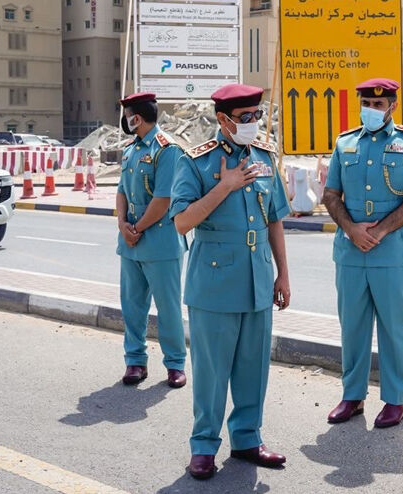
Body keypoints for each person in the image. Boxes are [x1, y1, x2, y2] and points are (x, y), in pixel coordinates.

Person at [170, 83, 291, 480]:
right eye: (245, 118)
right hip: (214, 282)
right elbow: (182, 222)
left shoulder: (265, 158)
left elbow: (274, 219)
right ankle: (203, 446)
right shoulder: (195, 161)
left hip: (257, 278)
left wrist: (282, 274)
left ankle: (247, 439)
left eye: (256, 116)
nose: (253, 123)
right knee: (211, 372)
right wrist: (224, 186)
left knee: (253, 369)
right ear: (223, 120)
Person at [322, 78, 403, 428]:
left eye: (378, 105)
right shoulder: (345, 142)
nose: (371, 110)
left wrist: (381, 230)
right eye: (366, 104)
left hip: (394, 253)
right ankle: (352, 396)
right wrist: (352, 230)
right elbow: (330, 195)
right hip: (351, 251)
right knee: (352, 327)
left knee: (394, 328)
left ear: (392, 107)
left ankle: (395, 400)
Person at [116, 92, 188, 388]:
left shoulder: (167, 150)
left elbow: (164, 198)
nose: (125, 121)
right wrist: (122, 224)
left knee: (168, 308)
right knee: (132, 307)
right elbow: (121, 191)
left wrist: (137, 228)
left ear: (136, 118)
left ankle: (175, 365)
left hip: (159, 242)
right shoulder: (131, 151)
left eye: (127, 115)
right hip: (131, 242)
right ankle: (135, 362)